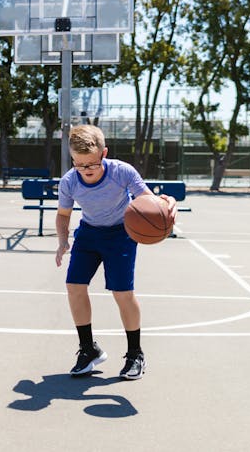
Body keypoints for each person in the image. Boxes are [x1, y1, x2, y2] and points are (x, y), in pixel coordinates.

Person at [54, 125, 177, 380]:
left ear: (104, 153)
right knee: (74, 286)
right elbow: (63, 215)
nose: (86, 170)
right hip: (88, 233)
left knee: (122, 293)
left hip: (121, 234)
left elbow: (147, 200)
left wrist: (166, 203)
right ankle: (88, 350)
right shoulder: (69, 181)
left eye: (92, 164)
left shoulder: (122, 172)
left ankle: (135, 354)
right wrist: (63, 240)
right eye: (79, 164)